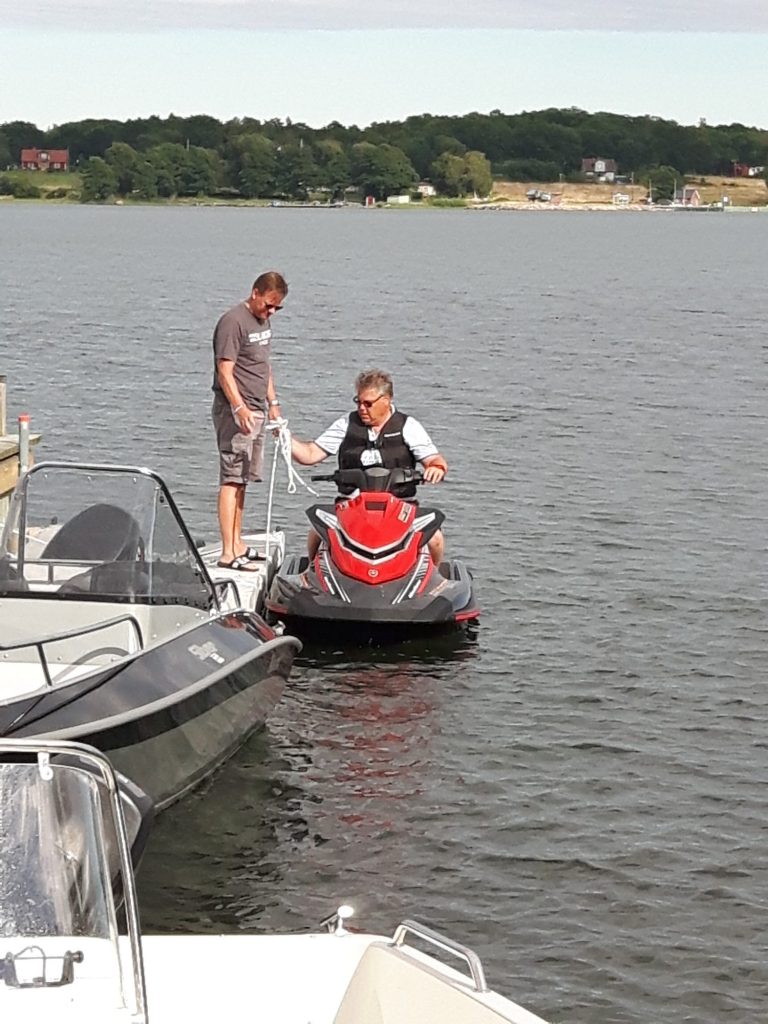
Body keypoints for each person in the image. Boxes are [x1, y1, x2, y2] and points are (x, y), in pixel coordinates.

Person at [290, 369, 448, 565]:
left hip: (400, 506)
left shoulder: (408, 426)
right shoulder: (346, 424)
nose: (362, 409)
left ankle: (433, 573)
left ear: (386, 400)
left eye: (368, 404)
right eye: (358, 402)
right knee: (317, 530)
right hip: (351, 504)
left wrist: (436, 469)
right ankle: (312, 569)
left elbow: (436, 460)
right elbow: (310, 454)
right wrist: (284, 438)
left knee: (435, 538)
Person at [211, 271, 287, 571]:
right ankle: (228, 553)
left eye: (277, 307)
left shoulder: (263, 323)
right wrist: (238, 407)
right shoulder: (233, 322)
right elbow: (225, 371)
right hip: (236, 412)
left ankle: (238, 542)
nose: (271, 312)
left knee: (244, 478)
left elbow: (262, 366)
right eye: (268, 305)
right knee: (231, 477)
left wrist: (273, 404)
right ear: (255, 293)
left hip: (257, 408)